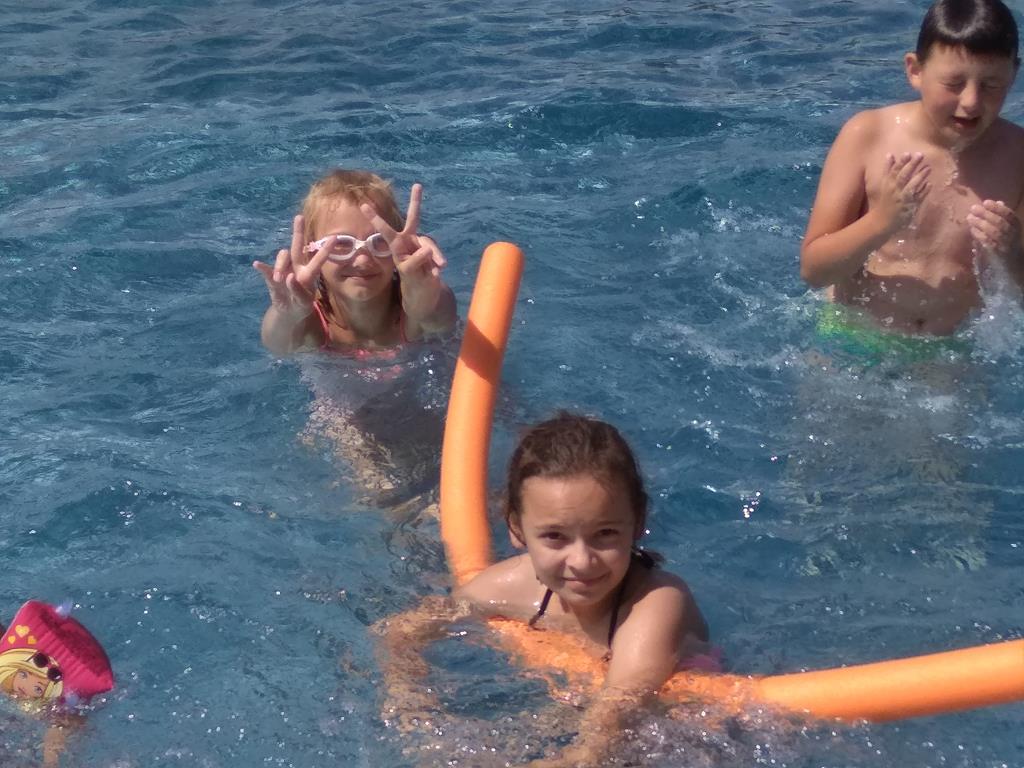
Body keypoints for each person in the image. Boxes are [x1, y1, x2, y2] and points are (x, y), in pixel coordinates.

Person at [376, 413, 711, 766]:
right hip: (572, 708)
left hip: (672, 730)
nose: (581, 561)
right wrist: (410, 702)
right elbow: (405, 630)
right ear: (517, 529)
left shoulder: (657, 603)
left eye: (605, 534)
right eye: (555, 536)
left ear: (638, 521)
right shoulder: (513, 585)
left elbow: (611, 728)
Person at [800, 0, 1023, 348]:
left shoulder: (1018, 158)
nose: (971, 101)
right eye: (954, 83)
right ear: (915, 70)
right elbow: (814, 271)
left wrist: (1011, 253)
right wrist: (882, 221)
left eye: (991, 85)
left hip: (951, 351)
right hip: (852, 335)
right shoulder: (867, 136)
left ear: (1014, 74)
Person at [253, 169, 457, 356]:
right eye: (341, 243)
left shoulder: (413, 312)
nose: (362, 260)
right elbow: (277, 344)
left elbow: (441, 317)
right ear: (310, 253)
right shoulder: (311, 321)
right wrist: (287, 316)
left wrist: (426, 296)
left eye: (379, 241)